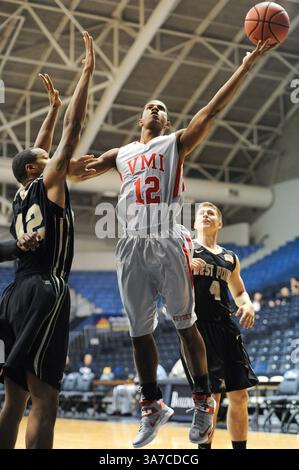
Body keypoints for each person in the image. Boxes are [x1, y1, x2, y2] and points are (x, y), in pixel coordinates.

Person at [69, 39, 271, 448]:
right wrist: (70, 165)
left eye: (163, 107)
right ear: (142, 116)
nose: (158, 109)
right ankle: (152, 405)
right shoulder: (121, 152)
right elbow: (76, 172)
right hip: (129, 244)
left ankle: (201, 400)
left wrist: (247, 64)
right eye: (152, 106)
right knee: (139, 334)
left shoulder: (175, 142)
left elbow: (212, 109)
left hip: (164, 236)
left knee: (185, 322)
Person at [0, 31, 95, 449]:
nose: (56, 156)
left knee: (14, 399)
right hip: (45, 289)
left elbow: (36, 149)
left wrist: (50, 110)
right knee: (46, 401)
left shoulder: (22, 194)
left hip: (14, 292)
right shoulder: (48, 182)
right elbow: (73, 131)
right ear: (37, 170)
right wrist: (86, 74)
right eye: (50, 158)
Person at [182, 201, 258, 450]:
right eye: (201, 212)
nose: (205, 214)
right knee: (211, 398)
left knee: (240, 395)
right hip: (198, 328)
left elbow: (241, 292)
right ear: (194, 223)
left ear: (220, 223)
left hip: (226, 326)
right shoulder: (185, 249)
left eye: (211, 212)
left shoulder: (230, 257)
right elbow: (162, 282)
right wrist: (183, 267)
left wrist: (247, 305)